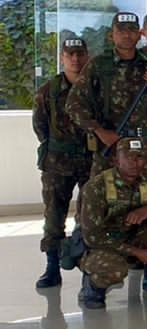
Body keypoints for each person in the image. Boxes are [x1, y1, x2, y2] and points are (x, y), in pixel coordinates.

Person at [76, 137, 147, 309]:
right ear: (116, 160)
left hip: (133, 237)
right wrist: (138, 252)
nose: (134, 162)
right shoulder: (96, 187)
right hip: (104, 245)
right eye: (128, 157)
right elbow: (93, 237)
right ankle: (92, 288)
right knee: (115, 269)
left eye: (139, 157)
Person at [33, 35, 92, 288]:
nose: (75, 60)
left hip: (90, 161)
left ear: (87, 57)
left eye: (80, 55)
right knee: (54, 216)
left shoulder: (94, 88)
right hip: (57, 164)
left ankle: (88, 266)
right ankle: (52, 267)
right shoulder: (49, 90)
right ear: (62, 58)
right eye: (70, 55)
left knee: (89, 215)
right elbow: (40, 126)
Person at [67, 12, 147, 174]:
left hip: (145, 148)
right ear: (112, 35)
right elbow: (73, 104)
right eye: (121, 30)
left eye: (132, 30)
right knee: (103, 188)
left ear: (139, 35)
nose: (127, 35)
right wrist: (100, 131)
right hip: (110, 147)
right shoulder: (98, 65)